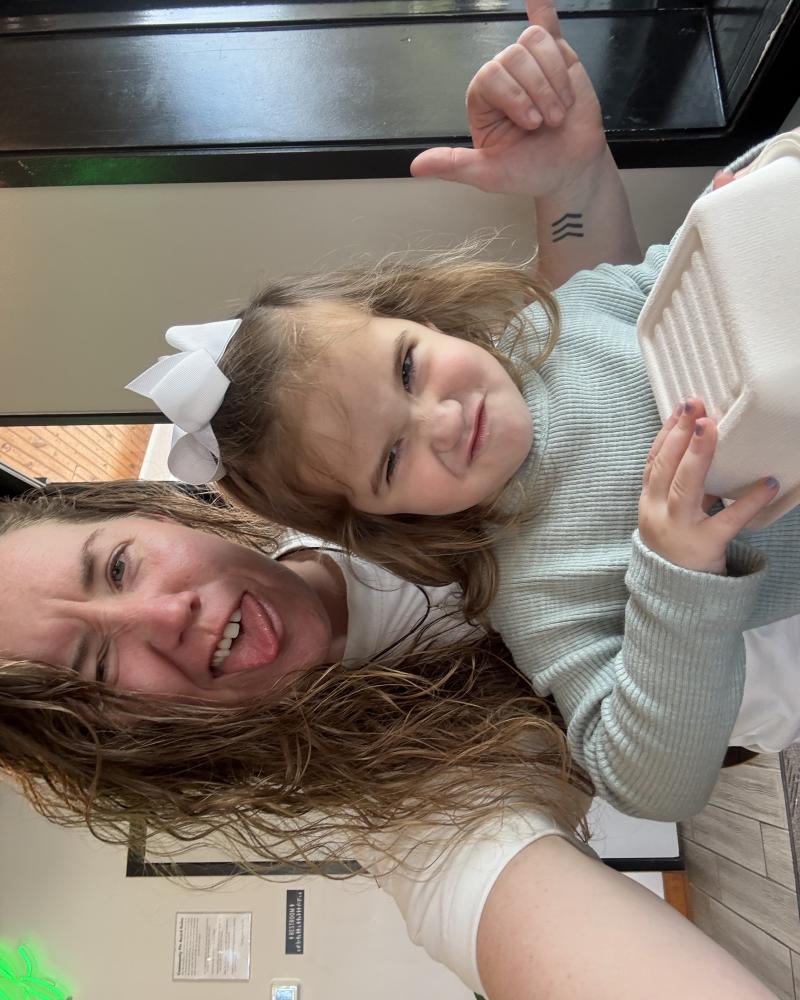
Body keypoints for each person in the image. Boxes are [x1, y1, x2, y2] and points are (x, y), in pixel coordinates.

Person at [126, 1, 800, 821]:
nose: (442, 422)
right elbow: (650, 785)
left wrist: (751, 188)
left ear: (421, 320)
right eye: (391, 459)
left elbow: (695, 263)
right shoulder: (534, 589)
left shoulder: (557, 325)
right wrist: (678, 574)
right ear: (384, 520)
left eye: (408, 368)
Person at [0, 480, 778, 1000]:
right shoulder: (409, 813)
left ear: (158, 515)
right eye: (98, 666)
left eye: (119, 567)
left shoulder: (352, 480)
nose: (164, 616)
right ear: (128, 742)